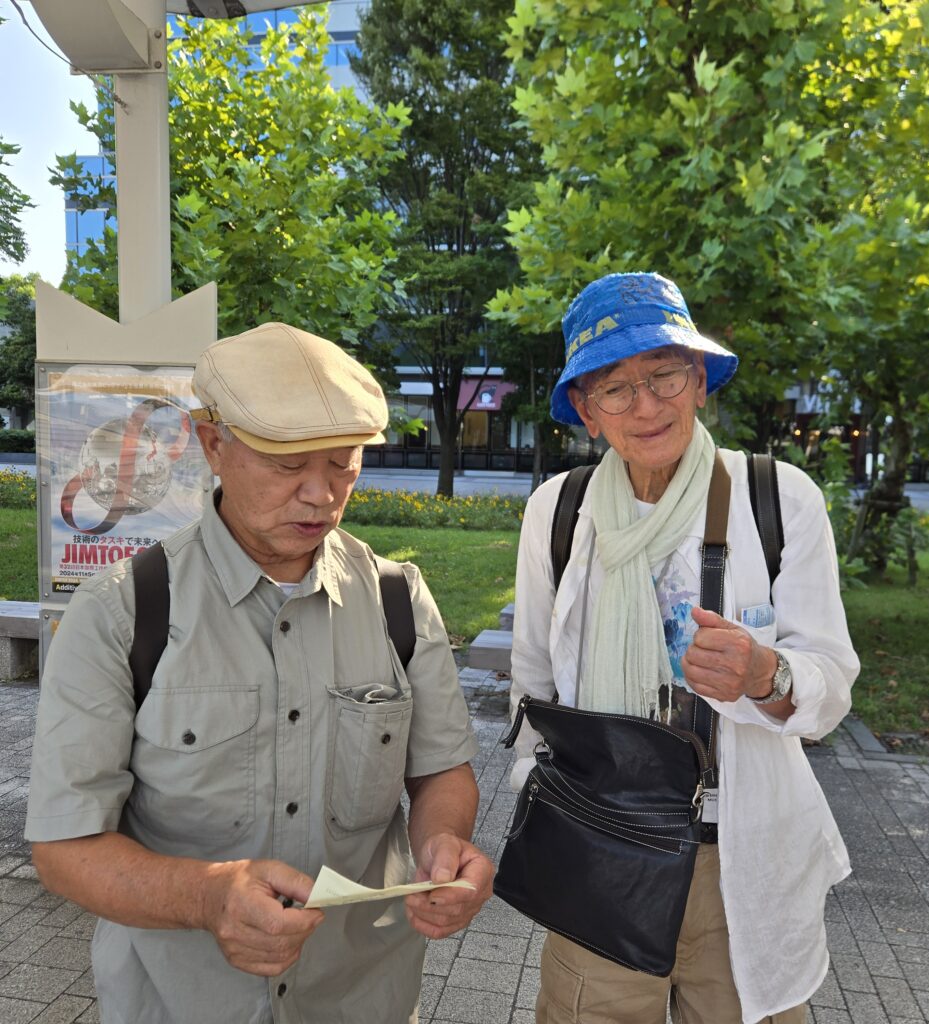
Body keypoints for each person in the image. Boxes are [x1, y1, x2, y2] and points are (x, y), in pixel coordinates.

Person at [26, 322, 494, 1024]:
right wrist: (207, 897)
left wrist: (443, 845)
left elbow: (440, 773)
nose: (320, 495)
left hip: (362, 995)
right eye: (286, 466)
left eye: (343, 463)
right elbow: (64, 845)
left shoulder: (398, 599)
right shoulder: (122, 613)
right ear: (212, 444)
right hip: (181, 1001)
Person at [509, 273, 859, 1024]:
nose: (646, 404)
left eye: (664, 375)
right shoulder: (559, 512)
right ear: (585, 411)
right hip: (600, 852)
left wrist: (768, 675)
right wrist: (550, 813)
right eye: (615, 388)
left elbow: (830, 685)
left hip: (740, 859)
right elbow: (534, 680)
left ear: (699, 382)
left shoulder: (777, 497)